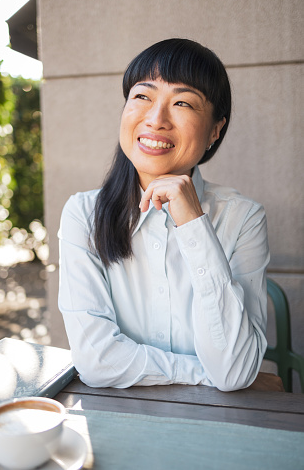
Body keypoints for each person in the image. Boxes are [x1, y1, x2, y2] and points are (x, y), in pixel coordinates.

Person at [58, 38, 281, 392]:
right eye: (142, 97)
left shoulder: (243, 218)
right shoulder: (84, 214)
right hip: (119, 420)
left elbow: (234, 368)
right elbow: (96, 361)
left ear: (215, 130)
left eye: (182, 103)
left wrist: (194, 225)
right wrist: (204, 375)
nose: (156, 119)